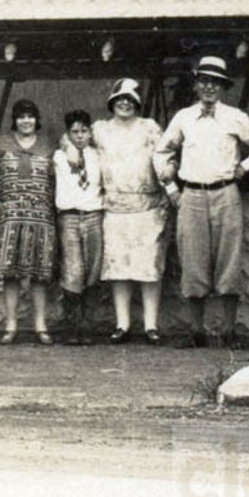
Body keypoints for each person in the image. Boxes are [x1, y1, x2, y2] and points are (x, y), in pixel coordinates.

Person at [155, 56, 249, 348]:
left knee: (229, 260)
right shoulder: (183, 117)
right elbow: (161, 153)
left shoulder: (235, 117)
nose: (209, 87)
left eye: (215, 82)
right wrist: (171, 187)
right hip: (192, 195)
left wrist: (244, 167)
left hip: (226, 193)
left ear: (222, 87)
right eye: (204, 81)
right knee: (193, 261)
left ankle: (228, 331)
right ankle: (196, 332)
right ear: (196, 85)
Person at [93, 79, 170, 345]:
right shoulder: (100, 129)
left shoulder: (150, 128)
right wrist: (68, 147)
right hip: (115, 208)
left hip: (147, 207)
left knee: (148, 266)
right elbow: (71, 137)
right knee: (119, 268)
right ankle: (122, 324)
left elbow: (166, 155)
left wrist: (169, 178)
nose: (125, 103)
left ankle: (151, 325)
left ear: (137, 103)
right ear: (112, 101)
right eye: (120, 98)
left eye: (130, 99)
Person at [0, 99, 56, 346]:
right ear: (14, 120)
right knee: (11, 273)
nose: (26, 121)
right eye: (21, 117)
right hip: (9, 217)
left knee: (39, 274)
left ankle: (40, 326)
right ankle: (11, 325)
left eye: (30, 116)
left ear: (36, 120)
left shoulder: (50, 145)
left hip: (41, 217)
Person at [54, 109, 104, 345]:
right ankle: (71, 326)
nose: (80, 136)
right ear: (68, 134)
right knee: (73, 270)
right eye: (75, 132)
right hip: (70, 217)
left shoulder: (98, 155)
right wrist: (67, 146)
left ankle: (88, 325)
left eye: (84, 131)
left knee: (93, 269)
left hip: (94, 215)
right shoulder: (59, 156)